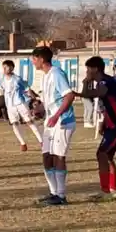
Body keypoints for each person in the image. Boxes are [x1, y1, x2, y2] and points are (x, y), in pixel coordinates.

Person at [77, 57, 116, 201]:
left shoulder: (106, 81)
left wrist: (82, 88)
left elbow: (97, 93)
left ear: (95, 69)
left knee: (102, 154)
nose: (87, 71)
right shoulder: (103, 81)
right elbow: (88, 96)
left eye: (88, 69)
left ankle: (107, 190)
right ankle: (111, 189)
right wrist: (86, 83)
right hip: (112, 124)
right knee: (106, 156)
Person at [33, 46, 76, 206]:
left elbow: (69, 95)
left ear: (41, 59)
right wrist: (40, 110)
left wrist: (57, 115)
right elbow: (51, 101)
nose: (33, 62)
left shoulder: (57, 73)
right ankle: (53, 192)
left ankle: (61, 195)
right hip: (51, 122)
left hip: (63, 121)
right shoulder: (45, 76)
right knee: (46, 156)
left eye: (34, 59)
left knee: (58, 157)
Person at [0, 60, 42, 151]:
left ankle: (41, 141)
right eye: (4, 67)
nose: (4, 69)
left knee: (29, 121)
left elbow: (27, 89)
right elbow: (2, 91)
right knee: (14, 123)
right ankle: (22, 143)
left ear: (11, 68)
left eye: (6, 67)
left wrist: (34, 99)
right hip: (10, 106)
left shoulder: (17, 79)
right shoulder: (2, 80)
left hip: (20, 103)